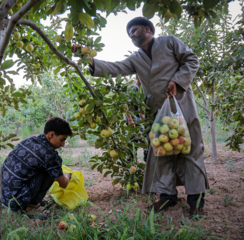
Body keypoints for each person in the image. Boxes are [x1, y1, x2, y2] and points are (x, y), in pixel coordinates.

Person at [84, 17, 209, 217]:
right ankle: (168, 197)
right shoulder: (135, 58)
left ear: (148, 30)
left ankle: (196, 202)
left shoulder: (169, 41)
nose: (132, 35)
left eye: (134, 30)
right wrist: (90, 61)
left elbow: (192, 60)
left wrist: (177, 80)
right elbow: (116, 68)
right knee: (162, 154)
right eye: (129, 33)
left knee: (190, 152)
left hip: (182, 107)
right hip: (158, 114)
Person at [1, 117, 73, 220]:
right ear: (51, 135)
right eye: (62, 140)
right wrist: (67, 175)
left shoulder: (30, 140)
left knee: (49, 167)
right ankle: (32, 206)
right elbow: (63, 184)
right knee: (51, 170)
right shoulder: (49, 155)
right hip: (15, 201)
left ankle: (29, 201)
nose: (63, 145)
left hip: (3, 195)